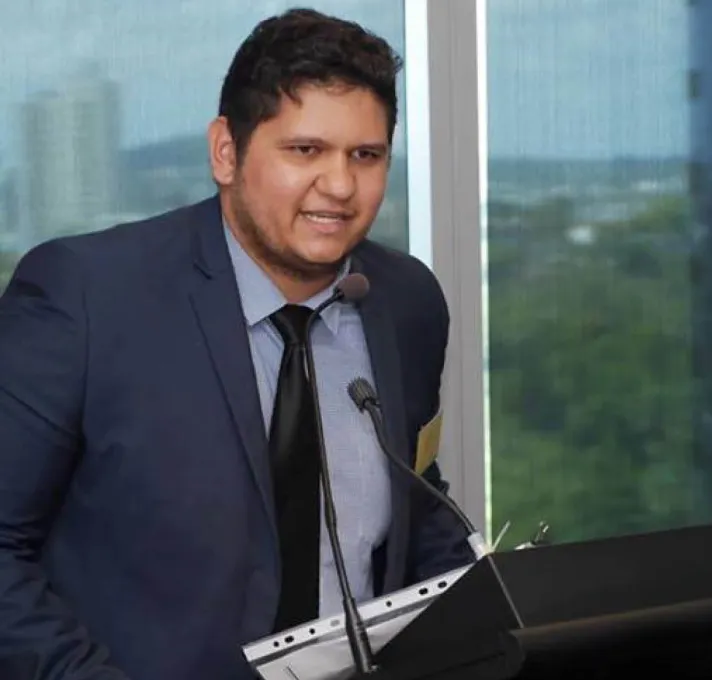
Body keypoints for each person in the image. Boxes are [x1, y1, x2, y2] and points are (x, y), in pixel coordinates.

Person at [0, 8, 474, 680]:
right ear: (226, 150)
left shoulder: (406, 302)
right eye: (305, 151)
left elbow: (421, 506)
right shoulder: (85, 296)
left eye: (365, 156)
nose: (340, 186)